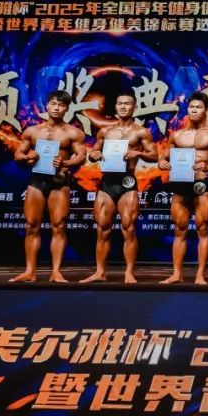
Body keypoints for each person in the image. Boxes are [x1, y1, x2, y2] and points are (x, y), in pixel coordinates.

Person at [10, 90, 87, 282]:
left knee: (59, 226)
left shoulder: (73, 133)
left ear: (67, 109)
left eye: (61, 105)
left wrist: (65, 163)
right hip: (37, 181)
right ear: (47, 105)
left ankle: (56, 271)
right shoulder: (33, 131)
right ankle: (30, 271)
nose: (56, 108)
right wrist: (28, 157)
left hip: (59, 182)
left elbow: (81, 156)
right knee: (31, 225)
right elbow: (18, 154)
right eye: (53, 104)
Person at [81, 93, 156, 284]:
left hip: (127, 182)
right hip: (107, 182)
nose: (123, 107)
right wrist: (95, 155)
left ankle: (129, 273)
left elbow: (154, 156)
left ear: (134, 108)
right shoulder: (105, 131)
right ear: (115, 107)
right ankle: (100, 272)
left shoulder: (141, 132)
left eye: (127, 104)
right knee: (102, 228)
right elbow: (93, 153)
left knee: (128, 228)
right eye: (119, 103)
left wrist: (138, 152)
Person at [157, 92, 208, 285]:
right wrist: (161, 162)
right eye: (191, 107)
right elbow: (163, 156)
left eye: (198, 107)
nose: (194, 110)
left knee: (202, 228)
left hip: (200, 184)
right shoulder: (177, 135)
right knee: (179, 229)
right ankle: (176, 274)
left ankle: (200, 275)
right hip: (180, 184)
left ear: (206, 110)